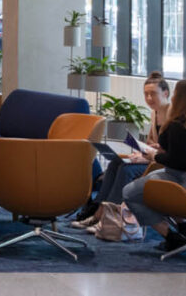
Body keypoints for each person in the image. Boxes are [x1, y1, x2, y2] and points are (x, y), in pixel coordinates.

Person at [122, 79, 186, 251]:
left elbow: (178, 162)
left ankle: (171, 237)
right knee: (160, 184)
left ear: (180, 98)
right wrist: (163, 151)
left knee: (130, 192)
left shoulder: (181, 124)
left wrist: (154, 155)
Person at [72, 71, 171, 229]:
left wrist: (147, 157)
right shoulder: (154, 113)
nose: (149, 98)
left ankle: (108, 216)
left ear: (165, 93)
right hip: (151, 158)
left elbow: (171, 152)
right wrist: (141, 151)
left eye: (153, 94)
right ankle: (97, 209)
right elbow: (153, 142)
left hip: (162, 164)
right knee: (114, 164)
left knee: (126, 170)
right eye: (146, 94)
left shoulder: (173, 116)